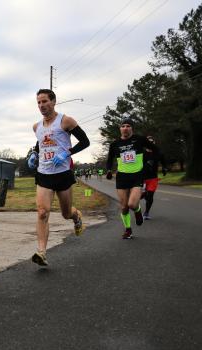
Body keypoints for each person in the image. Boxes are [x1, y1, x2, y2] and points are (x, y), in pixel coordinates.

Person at [27, 89, 90, 266]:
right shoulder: (36, 126)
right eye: (38, 102)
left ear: (54, 102)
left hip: (63, 173)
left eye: (45, 101)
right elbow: (41, 143)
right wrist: (34, 154)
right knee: (42, 212)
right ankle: (41, 252)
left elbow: (85, 142)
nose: (41, 106)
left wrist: (66, 154)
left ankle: (76, 216)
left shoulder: (65, 121)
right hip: (44, 174)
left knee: (65, 213)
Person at [105, 117, 158, 239]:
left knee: (132, 204)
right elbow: (109, 160)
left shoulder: (139, 139)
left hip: (137, 175)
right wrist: (108, 170)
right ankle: (128, 229)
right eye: (123, 126)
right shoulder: (115, 144)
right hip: (122, 176)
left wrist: (150, 160)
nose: (125, 128)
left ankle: (138, 210)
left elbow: (155, 149)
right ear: (120, 129)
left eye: (128, 126)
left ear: (132, 128)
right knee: (124, 207)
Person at [141, 135, 167, 219]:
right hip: (142, 178)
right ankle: (144, 195)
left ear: (154, 143)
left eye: (152, 142)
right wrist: (146, 164)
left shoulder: (158, 153)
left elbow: (163, 162)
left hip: (153, 178)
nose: (150, 144)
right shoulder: (141, 153)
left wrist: (164, 168)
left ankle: (146, 213)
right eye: (148, 143)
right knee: (142, 195)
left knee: (150, 195)